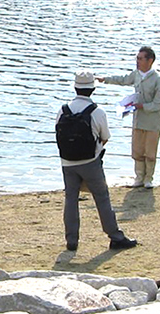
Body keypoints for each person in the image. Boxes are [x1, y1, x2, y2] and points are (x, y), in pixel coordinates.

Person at [56, 70, 137, 252]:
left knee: (71, 199)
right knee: (101, 197)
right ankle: (115, 236)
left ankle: (72, 240)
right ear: (92, 89)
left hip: (67, 162)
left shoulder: (63, 110)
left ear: (75, 87)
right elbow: (105, 137)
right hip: (90, 161)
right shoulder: (97, 111)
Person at [97, 46, 160, 188]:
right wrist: (105, 79)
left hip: (153, 123)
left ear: (150, 60)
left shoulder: (159, 81)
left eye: (141, 59)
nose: (138, 61)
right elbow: (123, 80)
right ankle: (139, 178)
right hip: (138, 121)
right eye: (137, 58)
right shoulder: (136, 75)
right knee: (137, 151)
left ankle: (148, 179)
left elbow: (158, 105)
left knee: (150, 152)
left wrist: (142, 106)